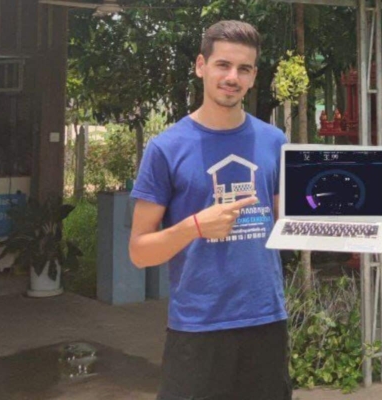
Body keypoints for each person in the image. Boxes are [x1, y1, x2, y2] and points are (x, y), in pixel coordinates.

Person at [129, 20, 291, 400]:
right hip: (198, 326)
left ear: (254, 77)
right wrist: (196, 226)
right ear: (201, 65)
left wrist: (342, 219)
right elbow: (139, 251)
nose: (232, 77)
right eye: (223, 65)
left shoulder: (274, 141)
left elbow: (285, 221)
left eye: (244, 69)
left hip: (266, 320)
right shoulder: (166, 148)